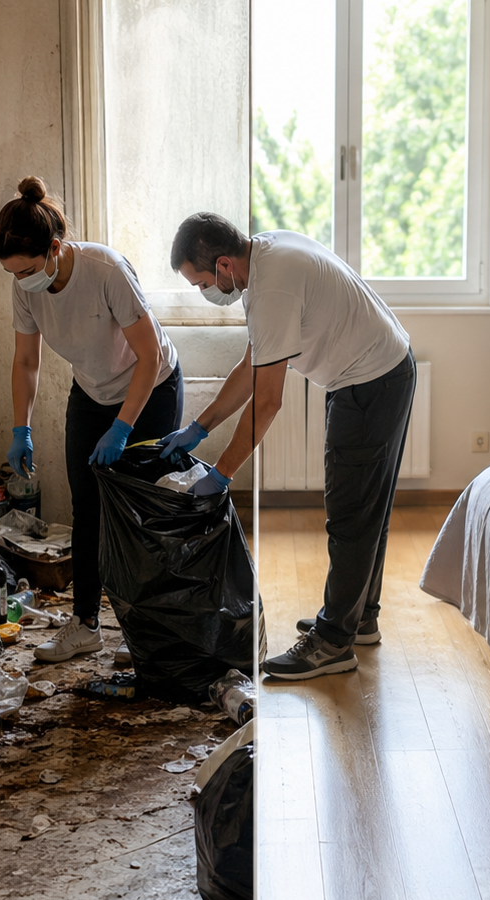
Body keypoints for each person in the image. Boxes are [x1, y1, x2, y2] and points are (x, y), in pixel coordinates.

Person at [162, 213, 414, 680]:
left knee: (351, 515)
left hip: (370, 382)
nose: (205, 293)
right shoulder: (263, 254)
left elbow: (268, 401)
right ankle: (359, 618)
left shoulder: (271, 290)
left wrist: (221, 474)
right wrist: (200, 425)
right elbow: (250, 366)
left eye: (201, 284)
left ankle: (334, 641)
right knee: (365, 509)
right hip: (380, 371)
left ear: (222, 266)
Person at [0, 176, 183, 665]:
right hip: (92, 391)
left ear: (55, 249)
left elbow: (150, 355)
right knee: (88, 509)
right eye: (14, 274)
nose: (22, 280)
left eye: (29, 269)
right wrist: (22, 427)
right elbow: (26, 361)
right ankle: (85, 625)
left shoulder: (105, 270)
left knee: (143, 511)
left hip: (151, 387)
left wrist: (123, 427)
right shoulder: (26, 289)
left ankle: (151, 629)